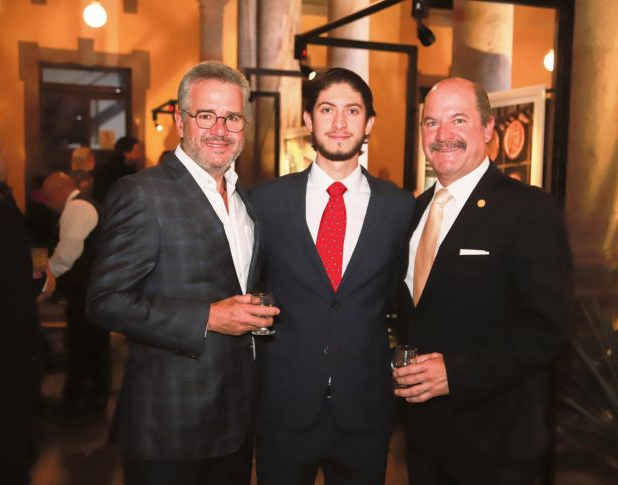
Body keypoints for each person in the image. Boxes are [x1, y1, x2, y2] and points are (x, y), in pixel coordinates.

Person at [86, 61, 278, 485]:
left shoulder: (247, 200)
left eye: (231, 117)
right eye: (205, 115)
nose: (220, 129)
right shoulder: (143, 193)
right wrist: (208, 317)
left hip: (237, 420)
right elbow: (105, 301)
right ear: (180, 120)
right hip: (168, 426)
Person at [392, 78, 572, 484]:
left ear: (489, 129)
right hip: (424, 442)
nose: (443, 136)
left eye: (458, 120)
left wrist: (455, 372)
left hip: (499, 447)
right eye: (431, 123)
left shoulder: (528, 209)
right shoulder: (415, 211)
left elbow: (548, 329)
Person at [251, 67, 415, 484]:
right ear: (308, 119)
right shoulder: (266, 201)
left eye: (352, 111)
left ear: (369, 124)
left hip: (365, 410)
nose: (340, 124)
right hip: (283, 407)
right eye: (327, 110)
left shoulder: (400, 208)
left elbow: (407, 299)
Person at [0, 126, 53, 484]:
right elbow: (18, 271)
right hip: (5, 352)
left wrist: (41, 268)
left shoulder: (7, 199)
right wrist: (43, 278)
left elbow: (31, 244)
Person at [42, 171, 108, 418]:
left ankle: (77, 403)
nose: (49, 205)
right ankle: (91, 400)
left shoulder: (77, 207)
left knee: (81, 346)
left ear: (59, 192)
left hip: (87, 290)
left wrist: (48, 276)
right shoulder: (87, 204)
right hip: (95, 288)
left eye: (49, 198)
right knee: (92, 347)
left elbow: (68, 251)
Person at [93, 135, 142, 203]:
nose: (139, 156)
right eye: (136, 152)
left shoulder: (102, 170)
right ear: (126, 154)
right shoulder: (130, 175)